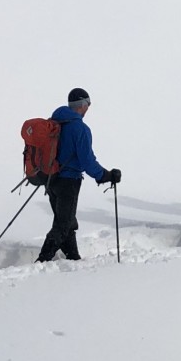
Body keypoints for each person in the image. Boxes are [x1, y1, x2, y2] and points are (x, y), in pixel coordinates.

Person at [38, 88, 121, 262]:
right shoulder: (80, 129)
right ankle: (42, 260)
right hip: (69, 181)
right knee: (63, 223)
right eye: (88, 104)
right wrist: (105, 175)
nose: (89, 108)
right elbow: (87, 161)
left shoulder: (55, 122)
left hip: (50, 179)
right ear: (82, 105)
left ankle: (73, 257)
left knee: (66, 220)